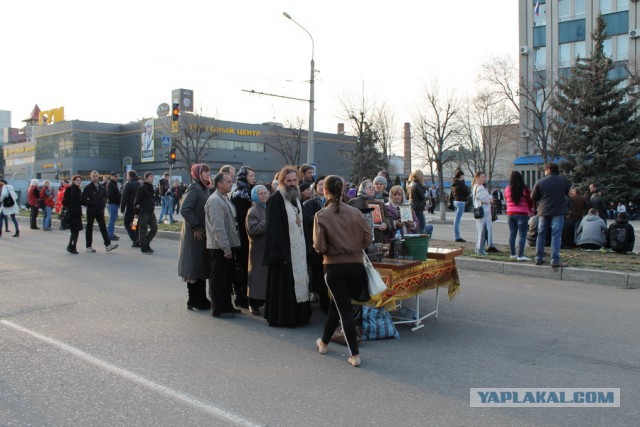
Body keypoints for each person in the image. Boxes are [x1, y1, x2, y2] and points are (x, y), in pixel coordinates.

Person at [313, 175, 372, 367]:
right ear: (344, 190)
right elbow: (367, 239)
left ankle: (354, 355)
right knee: (336, 305)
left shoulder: (321, 215)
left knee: (343, 309)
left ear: (325, 191)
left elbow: (319, 247)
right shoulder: (356, 213)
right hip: (356, 265)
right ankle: (323, 342)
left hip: (333, 266)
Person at [263, 165, 311, 327]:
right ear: (282, 181)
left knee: (299, 283)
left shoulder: (297, 198)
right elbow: (273, 230)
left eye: (294, 180)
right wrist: (280, 254)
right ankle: (284, 318)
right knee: (284, 286)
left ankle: (299, 316)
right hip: (284, 252)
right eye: (288, 180)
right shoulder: (275, 200)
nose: (292, 183)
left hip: (299, 250)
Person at [205, 172, 241, 319]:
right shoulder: (215, 201)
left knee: (227, 279)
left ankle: (227, 306)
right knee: (219, 279)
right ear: (219, 184)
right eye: (228, 181)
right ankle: (218, 309)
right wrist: (226, 248)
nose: (231, 184)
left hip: (228, 245)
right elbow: (218, 227)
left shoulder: (224, 198)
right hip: (219, 247)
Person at [178, 164, 212, 311]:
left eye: (208, 171)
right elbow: (185, 209)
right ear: (197, 174)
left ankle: (201, 297)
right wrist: (196, 226)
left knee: (201, 265)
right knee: (194, 266)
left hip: (202, 233)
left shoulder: (204, 188)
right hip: (194, 235)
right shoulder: (195, 188)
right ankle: (193, 299)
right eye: (204, 172)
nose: (207, 174)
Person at [531, 162, 571, 267]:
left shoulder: (540, 182)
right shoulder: (564, 181)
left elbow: (533, 196)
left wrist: (540, 202)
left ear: (548, 170)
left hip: (544, 211)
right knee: (556, 236)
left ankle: (538, 258)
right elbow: (567, 194)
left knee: (541, 235)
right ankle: (555, 260)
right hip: (558, 211)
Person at [230, 166, 256, 309]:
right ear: (243, 177)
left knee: (246, 266)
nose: (253, 178)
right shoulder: (240, 194)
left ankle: (244, 295)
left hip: (247, 235)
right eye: (251, 175)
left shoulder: (249, 192)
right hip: (242, 236)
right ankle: (240, 296)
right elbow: (241, 218)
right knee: (241, 267)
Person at [303, 176, 328, 314]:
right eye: (320, 184)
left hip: (331, 246)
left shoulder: (334, 203)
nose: (322, 187)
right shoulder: (308, 204)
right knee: (318, 275)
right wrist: (321, 216)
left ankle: (327, 303)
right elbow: (307, 222)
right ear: (315, 187)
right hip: (315, 245)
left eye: (325, 185)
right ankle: (322, 302)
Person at [246, 184, 269, 315]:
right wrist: (267, 222)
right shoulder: (253, 210)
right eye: (260, 193)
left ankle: (263, 302)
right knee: (256, 278)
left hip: (267, 248)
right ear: (255, 196)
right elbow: (253, 230)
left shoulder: (268, 207)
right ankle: (253, 303)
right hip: (258, 248)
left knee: (264, 279)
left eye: (265, 193)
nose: (264, 195)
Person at [82, 171, 118, 253]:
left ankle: (108, 245)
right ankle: (88, 246)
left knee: (103, 228)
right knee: (89, 228)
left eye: (97, 176)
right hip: (91, 211)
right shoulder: (88, 187)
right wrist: (93, 203)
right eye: (94, 176)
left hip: (100, 211)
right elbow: (84, 199)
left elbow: (105, 196)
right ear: (91, 177)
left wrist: (102, 203)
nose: (95, 177)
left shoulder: (101, 187)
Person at [348, 179, 391, 244]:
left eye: (373, 187)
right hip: (361, 238)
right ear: (362, 189)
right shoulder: (355, 202)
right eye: (369, 187)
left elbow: (389, 217)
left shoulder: (379, 203)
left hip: (378, 238)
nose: (372, 189)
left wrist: (386, 224)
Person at [505, 171, 533, 261]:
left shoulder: (508, 188)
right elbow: (530, 200)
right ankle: (520, 255)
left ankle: (512, 254)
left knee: (512, 234)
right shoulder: (525, 188)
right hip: (522, 213)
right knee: (522, 235)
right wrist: (530, 209)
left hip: (510, 214)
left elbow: (506, 198)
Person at [134, 172, 157, 254]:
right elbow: (137, 202)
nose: (152, 178)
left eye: (152, 177)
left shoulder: (151, 187)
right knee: (143, 231)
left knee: (154, 229)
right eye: (151, 177)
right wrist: (136, 213)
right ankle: (144, 248)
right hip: (143, 212)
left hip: (151, 211)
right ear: (146, 178)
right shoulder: (142, 188)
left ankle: (145, 243)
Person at [472, 171, 493, 256]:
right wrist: (490, 199)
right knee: (482, 231)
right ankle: (480, 249)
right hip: (483, 212)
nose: (484, 179)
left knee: (480, 230)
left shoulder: (476, 187)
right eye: (483, 177)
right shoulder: (479, 187)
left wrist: (489, 198)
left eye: (484, 177)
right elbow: (485, 199)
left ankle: (479, 249)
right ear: (477, 178)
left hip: (481, 211)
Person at [62, 175, 83, 254]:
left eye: (80, 180)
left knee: (76, 231)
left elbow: (80, 201)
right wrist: (70, 207)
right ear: (73, 181)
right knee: (74, 231)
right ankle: (71, 247)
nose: (79, 181)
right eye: (77, 180)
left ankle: (72, 246)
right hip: (72, 213)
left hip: (78, 213)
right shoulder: (69, 189)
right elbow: (64, 201)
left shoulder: (78, 189)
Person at [120, 170, 141, 247]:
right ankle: (136, 240)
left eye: (127, 176)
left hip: (130, 208)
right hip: (137, 209)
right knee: (134, 224)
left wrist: (122, 208)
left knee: (126, 223)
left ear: (129, 176)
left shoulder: (128, 185)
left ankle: (134, 239)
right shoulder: (139, 184)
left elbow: (124, 197)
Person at [451, 170, 470, 242]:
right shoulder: (460, 183)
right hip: (460, 202)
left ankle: (457, 236)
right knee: (457, 221)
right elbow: (467, 192)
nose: (463, 177)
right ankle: (457, 237)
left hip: (455, 201)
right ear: (460, 176)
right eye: (463, 175)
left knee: (456, 220)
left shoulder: (454, 183)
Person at [106, 171, 121, 242]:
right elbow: (111, 195)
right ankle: (109, 235)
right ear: (111, 176)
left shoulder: (114, 183)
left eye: (117, 176)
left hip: (114, 203)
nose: (116, 177)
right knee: (112, 220)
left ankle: (111, 234)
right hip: (113, 203)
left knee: (113, 219)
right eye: (115, 176)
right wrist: (118, 199)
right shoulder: (111, 184)